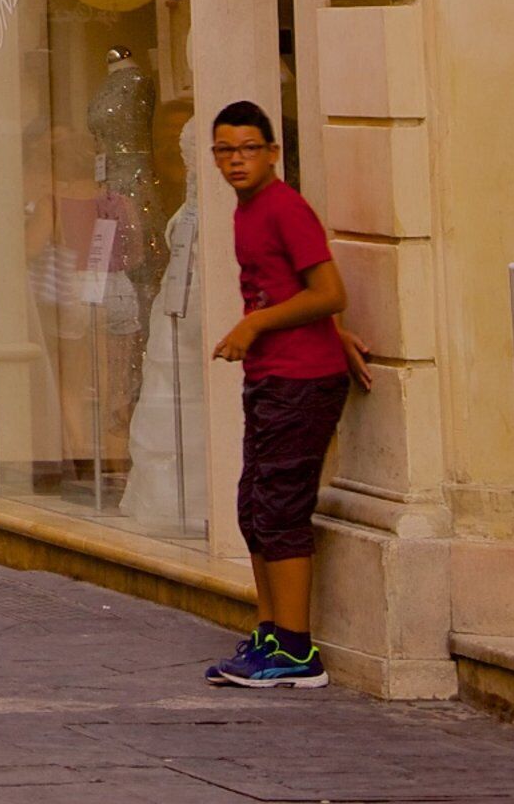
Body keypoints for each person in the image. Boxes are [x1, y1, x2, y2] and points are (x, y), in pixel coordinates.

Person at [206, 97, 354, 689]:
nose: (237, 161)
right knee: (254, 507)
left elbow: (330, 290)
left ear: (272, 153)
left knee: (282, 508)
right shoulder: (247, 210)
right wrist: (333, 334)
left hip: (301, 380)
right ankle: (270, 631)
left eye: (248, 149)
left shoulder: (285, 209)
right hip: (271, 376)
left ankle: (297, 651)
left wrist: (254, 326)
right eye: (225, 150)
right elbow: (296, 292)